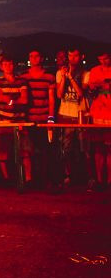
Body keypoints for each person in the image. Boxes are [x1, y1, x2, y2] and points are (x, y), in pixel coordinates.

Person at [20, 50, 57, 189]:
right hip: (29, 119)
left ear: (41, 58)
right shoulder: (24, 77)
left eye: (36, 56)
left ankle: (46, 180)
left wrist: (51, 119)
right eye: (31, 56)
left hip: (43, 119)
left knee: (45, 151)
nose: (34, 58)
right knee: (28, 151)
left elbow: (51, 99)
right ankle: (30, 180)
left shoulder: (49, 77)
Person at [56, 48, 91, 188]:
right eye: (70, 55)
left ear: (81, 56)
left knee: (85, 148)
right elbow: (59, 94)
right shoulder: (60, 73)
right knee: (66, 148)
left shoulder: (86, 74)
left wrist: (70, 77)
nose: (72, 58)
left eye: (75, 55)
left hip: (80, 114)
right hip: (65, 113)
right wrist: (65, 77)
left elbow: (80, 93)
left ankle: (88, 177)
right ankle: (68, 176)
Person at [0, 55, 30, 186]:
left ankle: (28, 180)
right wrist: (15, 98)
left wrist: (9, 100)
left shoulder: (22, 81)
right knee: (2, 151)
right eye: (5, 64)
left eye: (11, 64)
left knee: (25, 151)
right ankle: (6, 179)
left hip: (20, 120)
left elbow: (24, 100)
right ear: (1, 66)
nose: (8, 67)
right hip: (3, 120)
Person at [88, 51, 111, 190]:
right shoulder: (95, 71)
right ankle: (99, 178)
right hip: (98, 111)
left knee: (109, 148)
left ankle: (109, 180)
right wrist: (100, 85)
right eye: (101, 58)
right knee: (98, 147)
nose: (103, 60)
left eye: (106, 58)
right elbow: (91, 88)